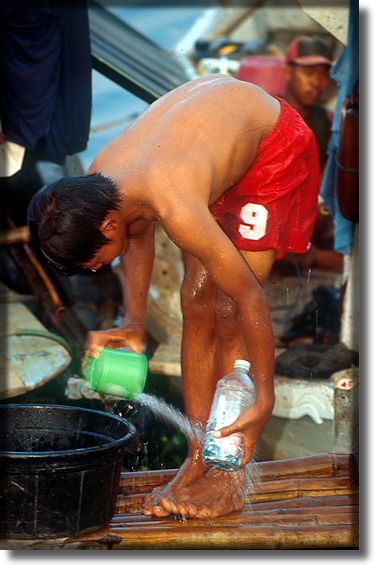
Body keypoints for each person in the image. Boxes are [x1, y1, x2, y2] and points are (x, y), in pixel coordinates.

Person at [27, 75, 319, 518]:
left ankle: (228, 475)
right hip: (209, 145)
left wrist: (265, 397)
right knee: (195, 302)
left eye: (92, 262)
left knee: (226, 310)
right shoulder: (99, 186)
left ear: (105, 227)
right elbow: (136, 232)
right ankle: (199, 453)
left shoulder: (174, 205)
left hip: (271, 148)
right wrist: (134, 323)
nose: (94, 270)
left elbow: (250, 300)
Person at [280, 35, 343, 274]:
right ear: (288, 72)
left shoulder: (327, 121)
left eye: (324, 73)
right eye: (309, 72)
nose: (317, 82)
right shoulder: (268, 112)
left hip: (309, 213)